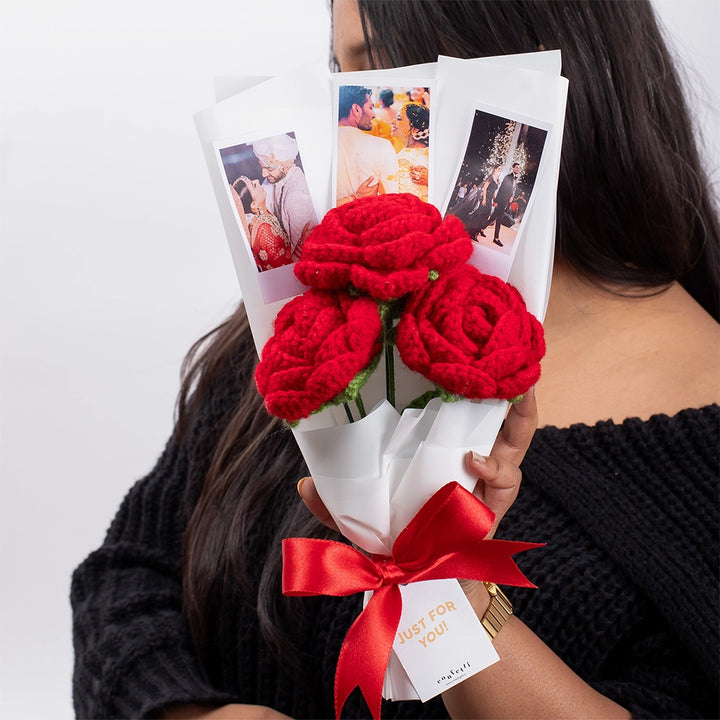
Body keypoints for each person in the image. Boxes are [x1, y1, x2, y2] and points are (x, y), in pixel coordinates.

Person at [71, 0, 720, 719]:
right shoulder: (313, 319)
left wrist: (447, 586)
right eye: (351, 67)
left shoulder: (700, 424)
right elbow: (130, 576)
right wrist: (194, 715)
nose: (366, 116)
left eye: (401, 68)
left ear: (550, 62)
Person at [251, 134, 317, 261]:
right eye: (262, 167)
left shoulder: (295, 198)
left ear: (284, 165)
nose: (263, 174)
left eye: (269, 168)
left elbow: (301, 256)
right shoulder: (276, 180)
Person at [336, 85, 399, 205]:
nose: (374, 114)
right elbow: (391, 200)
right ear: (356, 109)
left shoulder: (322, 146)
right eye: (370, 107)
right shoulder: (382, 147)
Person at [230, 177, 293, 272]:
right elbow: (283, 268)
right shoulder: (263, 230)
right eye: (254, 185)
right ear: (254, 204)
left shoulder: (265, 216)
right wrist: (301, 244)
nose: (257, 181)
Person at [392, 102, 430, 201]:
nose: (392, 121)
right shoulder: (430, 152)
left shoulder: (404, 158)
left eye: (399, 118)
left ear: (415, 129)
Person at [481, 162, 520, 246]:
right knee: (499, 219)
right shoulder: (508, 177)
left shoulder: (515, 179)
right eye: (516, 167)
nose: (518, 169)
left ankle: (481, 228)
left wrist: (512, 196)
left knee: (494, 217)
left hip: (506, 202)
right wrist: (496, 201)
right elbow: (501, 189)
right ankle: (496, 238)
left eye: (518, 168)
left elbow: (512, 189)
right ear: (513, 168)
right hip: (501, 202)